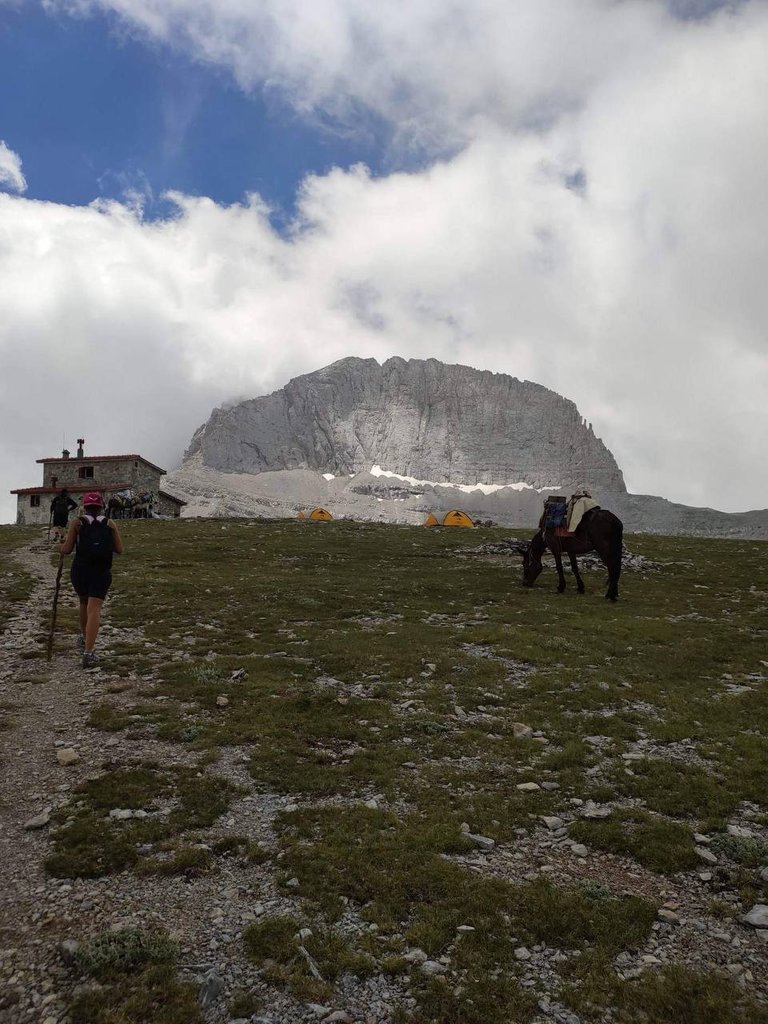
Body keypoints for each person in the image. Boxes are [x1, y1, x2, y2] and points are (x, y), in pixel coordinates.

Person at [60, 492, 124, 669]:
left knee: (83, 602)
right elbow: (120, 549)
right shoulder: (110, 524)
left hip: (80, 570)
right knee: (94, 608)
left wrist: (60, 546)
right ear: (102, 506)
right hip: (101, 571)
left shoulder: (77, 523)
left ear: (84, 506)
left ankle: (84, 637)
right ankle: (89, 652)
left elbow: (66, 550)